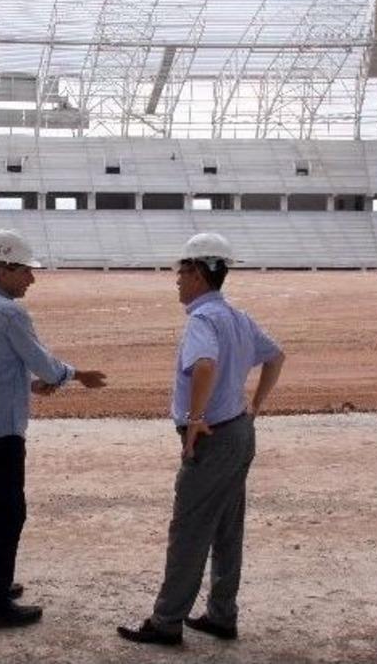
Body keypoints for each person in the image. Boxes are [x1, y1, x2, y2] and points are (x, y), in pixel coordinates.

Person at [117, 232, 286, 647]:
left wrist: (194, 420)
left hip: (212, 438)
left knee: (190, 530)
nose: (176, 280)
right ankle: (221, 614)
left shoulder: (202, 320)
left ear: (197, 273)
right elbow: (276, 355)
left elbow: (205, 365)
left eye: (181, 272)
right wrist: (255, 407)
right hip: (239, 431)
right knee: (228, 528)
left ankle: (166, 621)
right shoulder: (237, 316)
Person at [0, 229, 107, 630]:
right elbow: (44, 363)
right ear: (3, 270)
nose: (31, 279)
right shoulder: (9, 312)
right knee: (8, 514)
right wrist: (75, 375)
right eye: (25, 271)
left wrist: (30, 384)